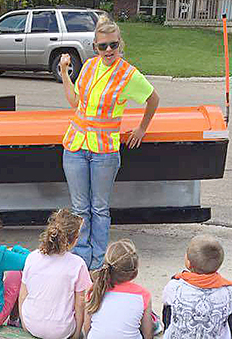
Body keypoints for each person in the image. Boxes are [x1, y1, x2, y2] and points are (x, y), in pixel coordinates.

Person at [60, 15, 160, 270]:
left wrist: (141, 129)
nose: (108, 51)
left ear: (120, 45)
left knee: (100, 208)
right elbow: (75, 103)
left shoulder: (128, 75)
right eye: (102, 46)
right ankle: (82, 259)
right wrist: (64, 73)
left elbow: (153, 99)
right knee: (79, 208)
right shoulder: (90, 66)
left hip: (104, 150)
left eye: (113, 45)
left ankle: (99, 262)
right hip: (75, 146)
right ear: (95, 46)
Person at [19, 208, 92, 339]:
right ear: (74, 240)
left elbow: (23, 295)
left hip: (31, 325)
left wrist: (25, 323)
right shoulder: (78, 264)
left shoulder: (32, 257)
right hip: (61, 331)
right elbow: (80, 303)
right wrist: (76, 334)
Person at [162, 234, 232, 339]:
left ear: (188, 263)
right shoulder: (230, 291)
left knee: (169, 307)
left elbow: (166, 302)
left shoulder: (174, 286)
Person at [84, 239, 154, 339]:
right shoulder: (143, 295)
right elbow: (148, 334)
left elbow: (87, 328)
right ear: (134, 273)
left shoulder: (94, 290)